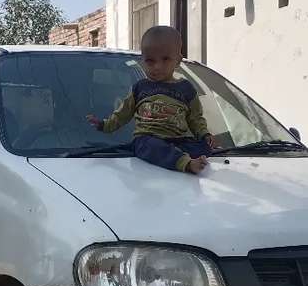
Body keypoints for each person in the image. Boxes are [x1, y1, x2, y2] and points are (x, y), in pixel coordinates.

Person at [87, 25, 218, 175]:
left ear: (178, 60)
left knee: (203, 148)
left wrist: (204, 135)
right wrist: (104, 125)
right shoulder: (140, 88)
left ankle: (187, 156)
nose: (157, 66)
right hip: (147, 139)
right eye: (150, 61)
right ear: (142, 61)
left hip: (178, 141)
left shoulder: (186, 89)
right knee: (148, 145)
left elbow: (195, 118)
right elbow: (122, 114)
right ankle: (186, 164)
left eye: (165, 59)